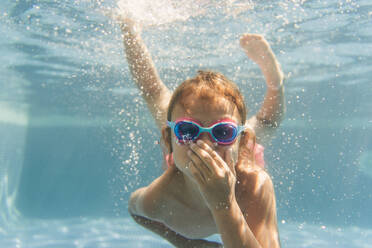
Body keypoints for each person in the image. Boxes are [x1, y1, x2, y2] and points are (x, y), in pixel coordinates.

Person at [119, 17, 285, 248]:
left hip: (239, 158)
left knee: (266, 124)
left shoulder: (254, 184)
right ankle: (129, 26)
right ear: (167, 141)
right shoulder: (160, 197)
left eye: (222, 132)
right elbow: (135, 211)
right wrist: (184, 242)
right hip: (181, 152)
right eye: (189, 131)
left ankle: (275, 82)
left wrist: (224, 204)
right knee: (155, 96)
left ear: (241, 141)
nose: (206, 145)